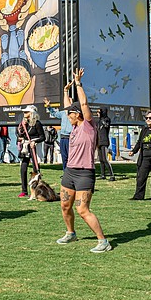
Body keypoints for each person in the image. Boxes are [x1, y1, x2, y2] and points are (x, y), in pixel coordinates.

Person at [56, 69, 111, 252]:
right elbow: (68, 107)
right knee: (65, 205)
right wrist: (65, 91)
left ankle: (103, 241)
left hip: (84, 173)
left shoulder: (88, 126)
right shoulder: (74, 127)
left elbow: (84, 103)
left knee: (82, 210)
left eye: (70, 114)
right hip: (70, 172)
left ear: (78, 114)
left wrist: (78, 83)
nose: (68, 116)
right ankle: (70, 233)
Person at [44, 80, 74, 169]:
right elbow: (54, 113)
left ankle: (71, 173)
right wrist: (48, 106)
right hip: (63, 138)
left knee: (71, 157)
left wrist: (66, 91)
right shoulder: (63, 113)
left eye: (69, 101)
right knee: (64, 157)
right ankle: (65, 173)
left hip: (70, 138)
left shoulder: (74, 114)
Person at [16, 105, 44, 199]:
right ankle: (24, 190)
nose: (24, 114)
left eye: (26, 112)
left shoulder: (37, 123)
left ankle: (38, 189)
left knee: (36, 169)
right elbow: (20, 134)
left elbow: (42, 137)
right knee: (23, 168)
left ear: (31, 113)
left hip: (33, 147)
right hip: (25, 148)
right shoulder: (24, 124)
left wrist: (35, 141)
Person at [95, 108, 114, 180]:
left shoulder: (106, 119)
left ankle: (112, 175)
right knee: (101, 159)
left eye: (98, 112)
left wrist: (103, 120)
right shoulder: (98, 121)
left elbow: (106, 126)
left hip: (104, 141)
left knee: (105, 159)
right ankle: (103, 174)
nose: (97, 114)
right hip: (99, 142)